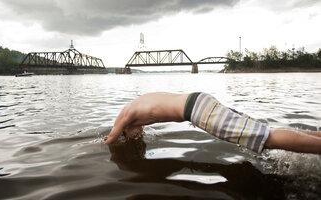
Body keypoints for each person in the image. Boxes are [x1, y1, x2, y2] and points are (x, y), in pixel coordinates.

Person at [105, 92, 321, 154]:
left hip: (197, 110)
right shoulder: (136, 104)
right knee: (264, 131)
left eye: (132, 134)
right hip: (199, 99)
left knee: (266, 139)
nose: (138, 133)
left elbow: (110, 140)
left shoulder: (124, 118)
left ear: (124, 128)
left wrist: (91, 146)